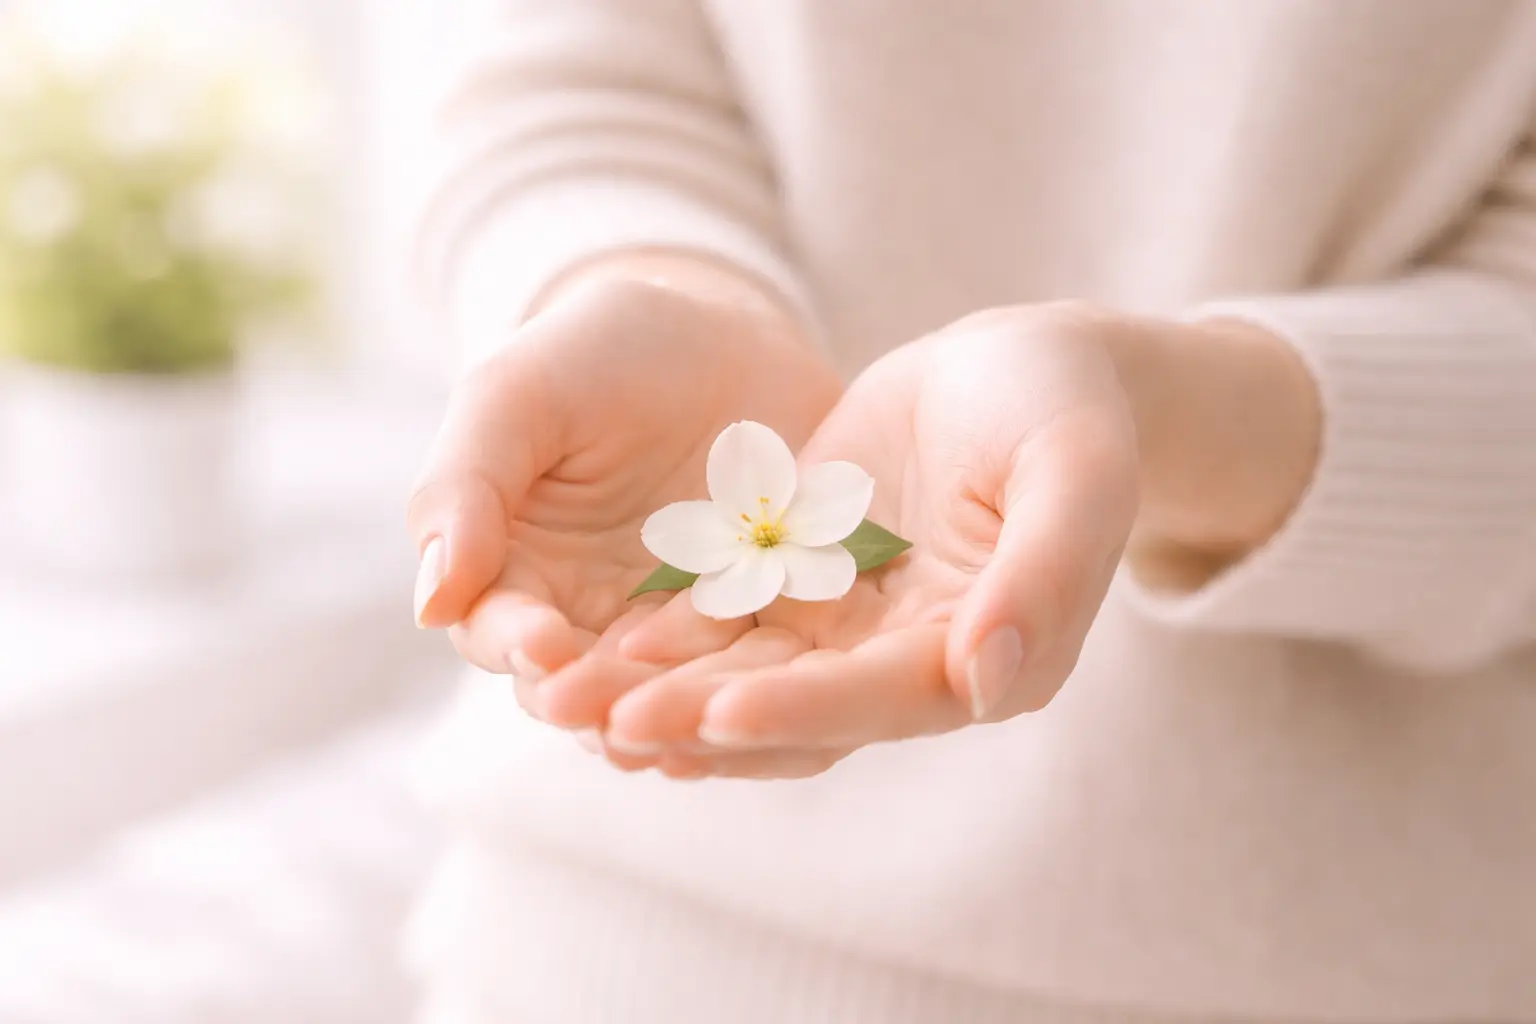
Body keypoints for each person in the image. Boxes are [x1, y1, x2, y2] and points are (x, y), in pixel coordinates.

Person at [403, 2, 1536, 1022]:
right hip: (588, 957)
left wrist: (1160, 419)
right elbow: (569, 84)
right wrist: (641, 288)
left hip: (1325, 964)